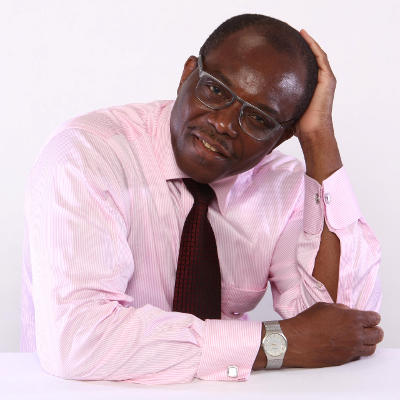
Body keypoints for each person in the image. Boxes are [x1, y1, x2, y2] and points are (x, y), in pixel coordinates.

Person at [20, 14, 383, 384]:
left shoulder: (281, 186)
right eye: (216, 91)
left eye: (258, 119)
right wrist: (276, 344)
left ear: (283, 137)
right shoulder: (87, 155)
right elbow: (78, 341)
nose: (224, 124)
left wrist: (319, 139)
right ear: (187, 75)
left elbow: (343, 327)